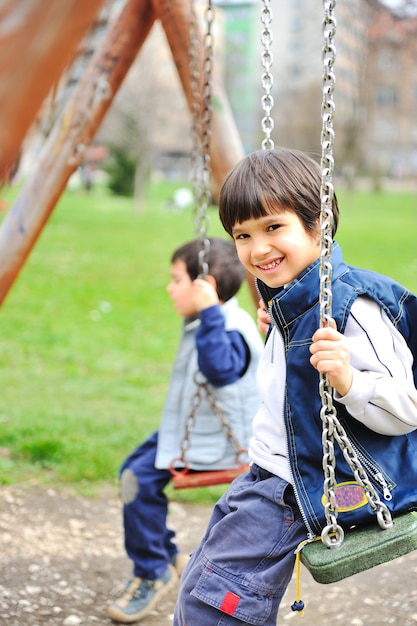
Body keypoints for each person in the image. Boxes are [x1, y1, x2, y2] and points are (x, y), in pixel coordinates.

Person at [173, 147, 417, 625]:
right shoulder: (291, 300)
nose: (257, 248)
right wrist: (278, 328)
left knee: (215, 609)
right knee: (197, 587)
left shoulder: (353, 308)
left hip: (297, 488)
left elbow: (407, 407)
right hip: (264, 474)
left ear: (319, 222)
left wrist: (348, 381)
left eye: (273, 227)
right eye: (242, 235)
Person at [108, 237, 263, 623]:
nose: (169, 288)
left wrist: (209, 310)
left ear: (204, 288)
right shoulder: (206, 319)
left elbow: (220, 370)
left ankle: (152, 571)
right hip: (186, 434)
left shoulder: (230, 327)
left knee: (137, 481)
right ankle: (164, 556)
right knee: (132, 476)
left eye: (177, 280)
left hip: (221, 445)